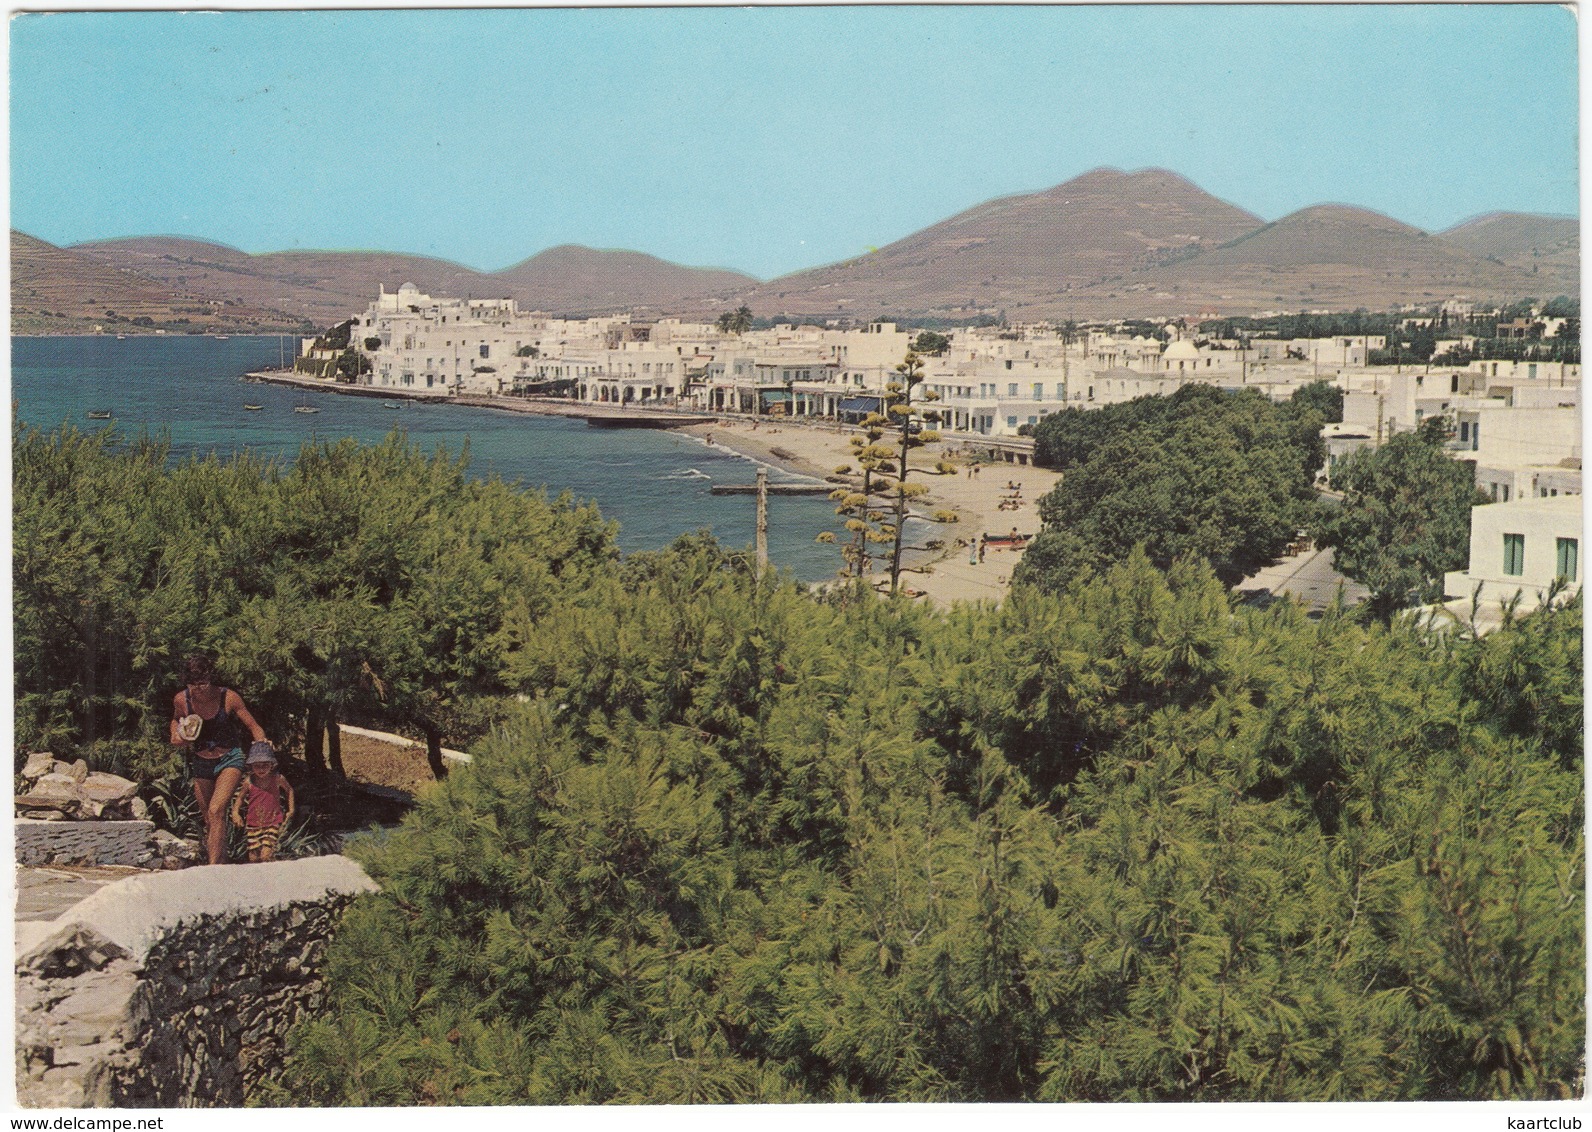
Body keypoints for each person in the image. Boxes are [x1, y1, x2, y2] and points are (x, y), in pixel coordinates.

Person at [170, 655, 268, 865]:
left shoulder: (229, 697)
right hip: (201, 761)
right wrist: (176, 734)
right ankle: (221, 861)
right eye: (192, 684)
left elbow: (253, 726)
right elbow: (176, 719)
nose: (198, 689)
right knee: (209, 818)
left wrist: (262, 744)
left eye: (202, 683)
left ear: (210, 678)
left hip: (230, 758)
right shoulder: (182, 699)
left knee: (216, 810)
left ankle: (212, 869)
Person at [232, 745, 294, 863]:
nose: (261, 769)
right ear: (251, 766)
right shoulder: (249, 781)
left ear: (272, 765)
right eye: (257, 766)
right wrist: (235, 812)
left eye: (265, 765)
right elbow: (240, 798)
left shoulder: (277, 778)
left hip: (273, 821)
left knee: (266, 854)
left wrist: (291, 809)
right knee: (253, 858)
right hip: (253, 823)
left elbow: (289, 790)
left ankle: (271, 878)